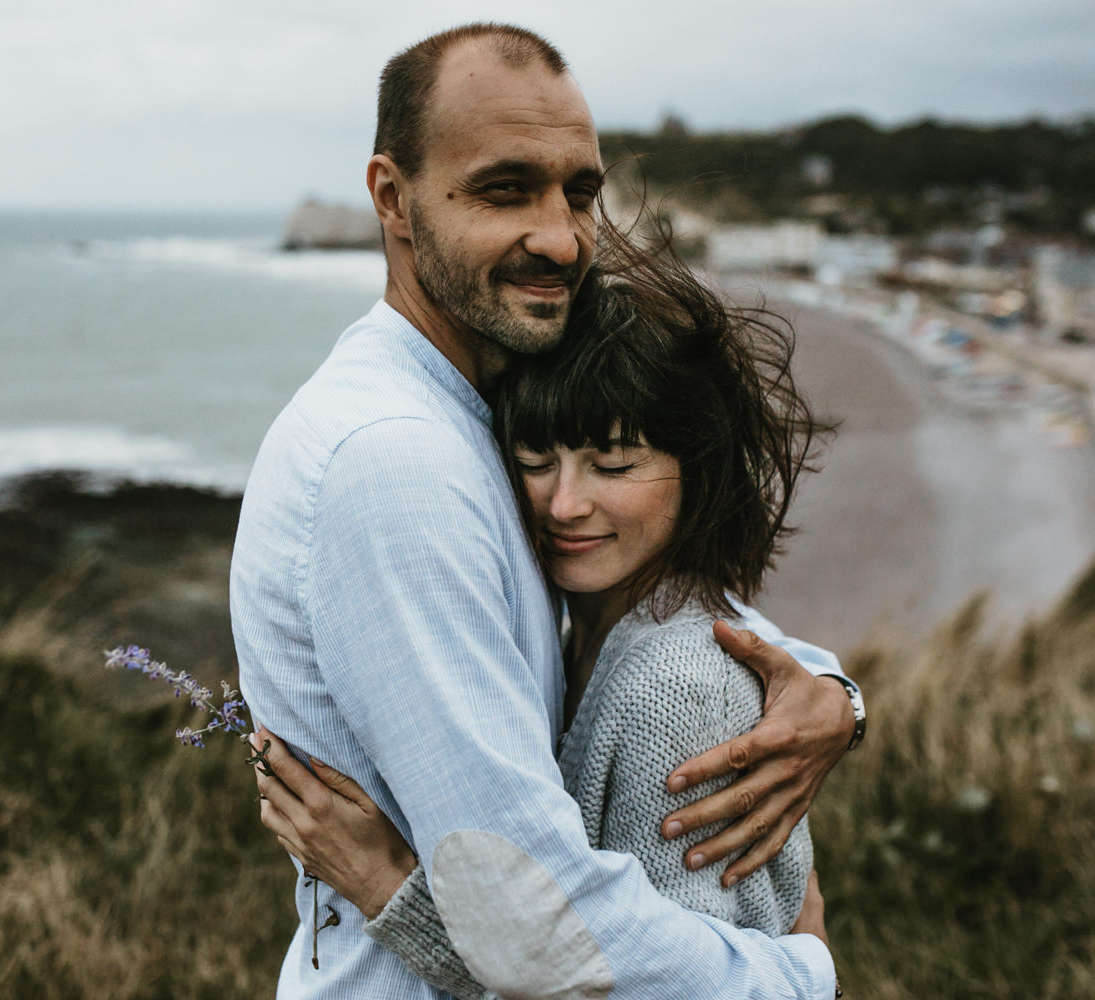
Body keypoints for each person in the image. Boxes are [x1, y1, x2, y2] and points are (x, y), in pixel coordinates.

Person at [230, 22, 863, 999]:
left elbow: (648, 597)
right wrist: (799, 980)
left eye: (580, 192)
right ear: (392, 199)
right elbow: (535, 928)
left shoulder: (486, 406)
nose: (561, 238)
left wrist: (828, 693)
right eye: (504, 189)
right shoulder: (396, 461)